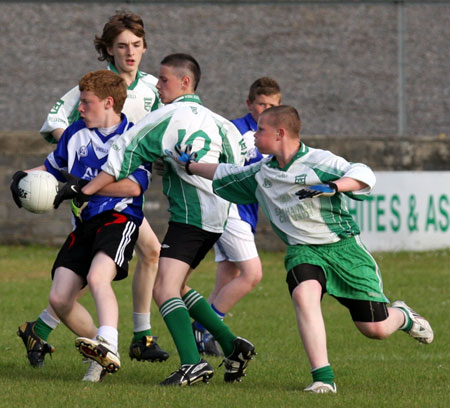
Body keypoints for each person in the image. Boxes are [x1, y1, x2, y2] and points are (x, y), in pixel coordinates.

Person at [168, 105, 434, 394]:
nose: (255, 135)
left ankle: (404, 315)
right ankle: (323, 378)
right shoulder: (262, 172)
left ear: (280, 134)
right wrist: (190, 166)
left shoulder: (319, 161)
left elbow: (362, 172)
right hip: (303, 252)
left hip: (344, 251)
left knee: (376, 329)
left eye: (260, 130)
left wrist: (334, 186)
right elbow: (226, 171)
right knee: (304, 294)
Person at [56, 53, 256, 386]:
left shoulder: (164, 116)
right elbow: (238, 169)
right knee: (177, 285)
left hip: (190, 217)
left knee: (163, 289)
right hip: (219, 216)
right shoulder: (219, 122)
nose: (158, 85)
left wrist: (84, 189)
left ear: (185, 82)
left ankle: (193, 363)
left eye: (163, 80)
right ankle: (232, 344)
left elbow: (122, 154)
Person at [16, 11, 168, 374]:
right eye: (121, 46)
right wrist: (78, 159)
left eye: (135, 45)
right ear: (109, 50)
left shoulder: (152, 90)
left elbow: (164, 132)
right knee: (99, 272)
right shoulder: (96, 87)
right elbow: (54, 123)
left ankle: (126, 338)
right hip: (91, 199)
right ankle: (126, 339)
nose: (129, 52)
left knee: (135, 257)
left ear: (144, 47)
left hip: (121, 197)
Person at [193, 77, 282, 356]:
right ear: (249, 103)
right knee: (252, 274)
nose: (265, 110)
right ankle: (206, 327)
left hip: (245, 211)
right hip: (229, 208)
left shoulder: (275, 134)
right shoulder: (234, 131)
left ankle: (200, 333)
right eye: (260, 104)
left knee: (228, 273)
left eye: (272, 105)